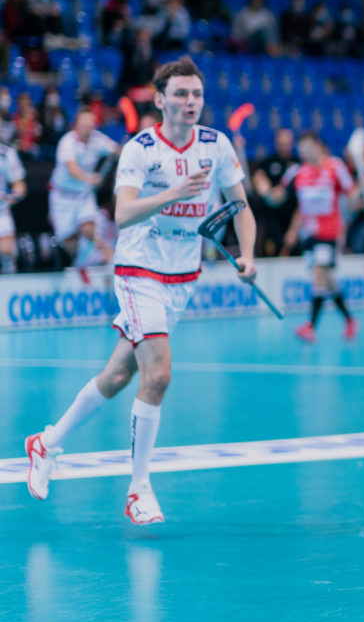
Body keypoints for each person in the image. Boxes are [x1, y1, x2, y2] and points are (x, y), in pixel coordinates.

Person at [24, 56, 258, 524]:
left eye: (196, 95)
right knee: (159, 375)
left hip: (182, 275)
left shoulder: (216, 145)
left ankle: (45, 444)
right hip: (138, 267)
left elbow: (241, 205)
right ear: (160, 100)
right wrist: (175, 193)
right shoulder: (139, 149)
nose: (190, 102)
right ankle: (139, 489)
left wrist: (248, 253)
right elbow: (124, 214)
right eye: (181, 95)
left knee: (117, 376)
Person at [283, 132, 359, 343]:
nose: (304, 152)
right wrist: (293, 230)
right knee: (327, 281)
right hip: (309, 233)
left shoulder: (335, 167)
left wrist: (361, 191)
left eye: (307, 147)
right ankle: (350, 320)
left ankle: (310, 327)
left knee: (319, 273)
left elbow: (352, 196)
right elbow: (301, 208)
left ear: (318, 146)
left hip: (330, 232)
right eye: (301, 149)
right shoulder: (301, 173)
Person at [49, 108, 119, 267]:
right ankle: (80, 262)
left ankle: (105, 253)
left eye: (90, 125)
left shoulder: (97, 139)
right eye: (84, 125)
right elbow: (72, 169)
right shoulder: (67, 143)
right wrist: (91, 178)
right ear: (76, 126)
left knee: (89, 230)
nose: (87, 129)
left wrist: (122, 152)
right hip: (63, 197)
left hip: (84, 195)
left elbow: (117, 149)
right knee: (68, 242)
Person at [251, 127, 297, 256]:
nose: (284, 147)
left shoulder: (298, 164)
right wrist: (268, 191)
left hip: (292, 215)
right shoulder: (267, 162)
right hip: (271, 218)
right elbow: (258, 179)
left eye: (287, 144)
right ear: (276, 143)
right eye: (281, 144)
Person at [0, 140, 26, 273]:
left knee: (8, 251)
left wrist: (13, 196)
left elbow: (19, 186)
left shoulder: (7, 154)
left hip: (2, 211)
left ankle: (8, 278)